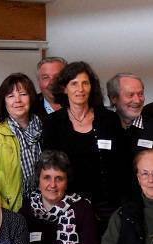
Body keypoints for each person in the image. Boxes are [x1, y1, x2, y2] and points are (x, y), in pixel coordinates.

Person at [42, 61, 130, 229]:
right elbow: (50, 167)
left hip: (108, 206)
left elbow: (123, 163)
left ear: (92, 87)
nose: (80, 89)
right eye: (74, 84)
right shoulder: (53, 123)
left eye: (85, 83)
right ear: (64, 88)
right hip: (68, 206)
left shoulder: (109, 120)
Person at [0, 73, 44, 212]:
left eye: (23, 94)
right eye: (11, 96)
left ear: (31, 97)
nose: (17, 100)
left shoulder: (45, 127)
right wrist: (2, 208)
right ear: (4, 101)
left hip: (44, 204)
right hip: (9, 208)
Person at [106, 73, 153, 160]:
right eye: (130, 95)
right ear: (114, 98)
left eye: (140, 94)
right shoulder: (104, 127)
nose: (137, 100)